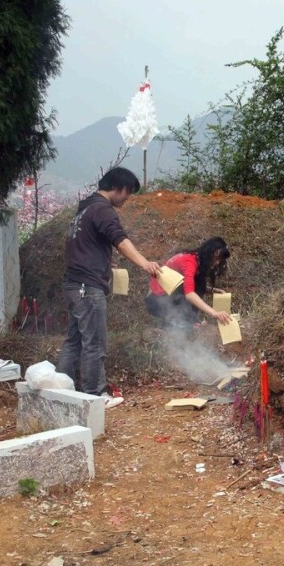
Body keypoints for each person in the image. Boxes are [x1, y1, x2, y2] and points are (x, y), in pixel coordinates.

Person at [58, 167, 160, 407]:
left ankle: (63, 390)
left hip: (73, 284)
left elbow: (83, 245)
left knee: (74, 340)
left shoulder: (84, 211)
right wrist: (145, 263)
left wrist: (103, 260)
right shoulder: (103, 210)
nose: (127, 198)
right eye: (128, 192)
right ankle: (95, 395)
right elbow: (121, 241)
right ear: (118, 187)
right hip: (88, 287)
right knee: (94, 342)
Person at [145, 236, 233, 329]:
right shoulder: (190, 262)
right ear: (208, 252)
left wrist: (212, 290)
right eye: (215, 258)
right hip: (156, 301)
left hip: (168, 297)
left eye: (219, 260)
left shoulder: (196, 260)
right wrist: (214, 313)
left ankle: (186, 322)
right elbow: (189, 294)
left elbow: (188, 285)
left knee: (200, 283)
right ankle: (180, 323)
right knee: (200, 283)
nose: (217, 263)